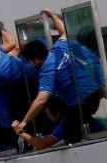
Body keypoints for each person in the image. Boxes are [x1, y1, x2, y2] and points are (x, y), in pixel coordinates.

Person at [15, 10, 106, 144]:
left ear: (36, 60)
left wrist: (24, 121)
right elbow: (63, 31)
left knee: (71, 136)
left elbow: (41, 99)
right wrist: (51, 15)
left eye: (29, 61)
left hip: (80, 103)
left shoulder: (47, 70)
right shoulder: (59, 47)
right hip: (95, 90)